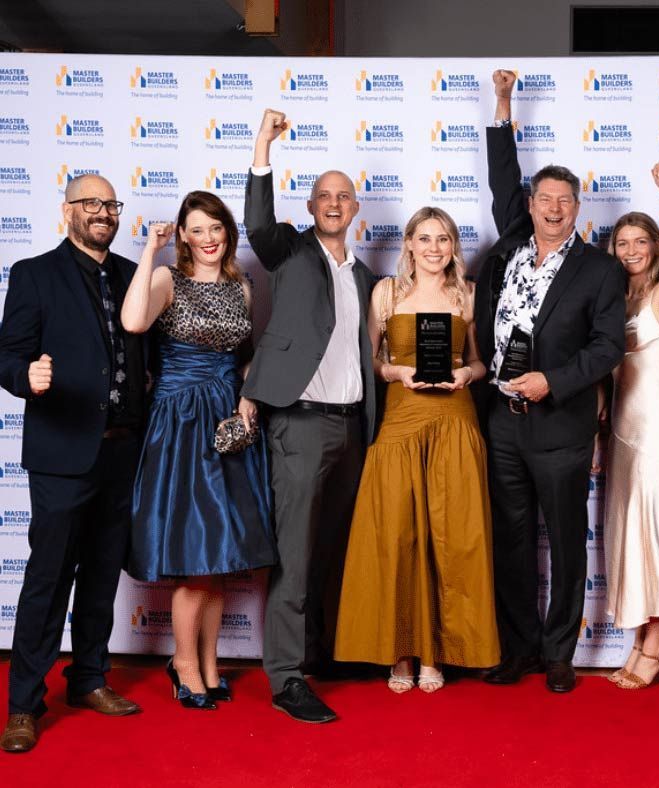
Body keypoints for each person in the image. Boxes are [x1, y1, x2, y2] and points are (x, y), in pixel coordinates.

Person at [475, 71, 626, 693]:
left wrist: (553, 381)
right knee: (511, 542)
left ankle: (560, 652)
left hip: (560, 423)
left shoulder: (599, 270)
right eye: (545, 199)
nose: (554, 208)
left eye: (565, 200)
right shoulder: (510, 247)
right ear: (531, 205)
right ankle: (519, 648)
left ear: (576, 208)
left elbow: (608, 346)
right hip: (502, 422)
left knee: (565, 544)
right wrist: (502, 107)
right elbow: (502, 177)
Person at [0, 175, 144, 753]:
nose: (103, 212)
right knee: (49, 576)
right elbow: (8, 355)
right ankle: (23, 704)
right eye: (91, 203)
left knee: (104, 573)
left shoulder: (133, 274)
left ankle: (88, 678)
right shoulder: (34, 274)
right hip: (62, 452)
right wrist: (24, 377)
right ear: (68, 212)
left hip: (122, 450)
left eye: (110, 204)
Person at [244, 109, 377, 723]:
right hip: (298, 423)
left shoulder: (366, 276)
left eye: (342, 196)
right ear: (311, 206)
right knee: (294, 555)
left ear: (355, 209)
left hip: (350, 427)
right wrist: (263, 146)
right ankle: (286, 676)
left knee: (331, 549)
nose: (333, 203)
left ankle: (320, 652)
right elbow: (257, 223)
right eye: (323, 195)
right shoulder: (290, 252)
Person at [334, 206, 500, 692]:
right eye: (424, 238)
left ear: (453, 247)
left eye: (443, 239)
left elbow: (480, 363)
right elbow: (369, 359)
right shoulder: (386, 292)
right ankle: (401, 652)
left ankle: (438, 654)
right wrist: (395, 372)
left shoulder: (467, 294)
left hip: (455, 422)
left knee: (453, 539)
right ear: (408, 243)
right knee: (397, 536)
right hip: (401, 421)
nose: (434, 248)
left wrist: (465, 373)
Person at [122, 192, 277, 710]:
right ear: (184, 237)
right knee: (195, 554)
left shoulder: (242, 285)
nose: (208, 238)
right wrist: (150, 251)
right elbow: (134, 322)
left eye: (216, 228)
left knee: (220, 554)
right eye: (197, 230)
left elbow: (246, 357)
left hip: (227, 422)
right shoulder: (167, 279)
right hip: (181, 424)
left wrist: (249, 396)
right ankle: (184, 664)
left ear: (227, 232)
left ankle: (208, 663)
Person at [603, 163, 659, 690]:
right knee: (629, 534)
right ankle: (640, 643)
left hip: (657, 429)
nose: (631, 250)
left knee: (656, 531)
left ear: (654, 247)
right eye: (622, 242)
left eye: (641, 241)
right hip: (620, 431)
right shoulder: (614, 302)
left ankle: (656, 646)